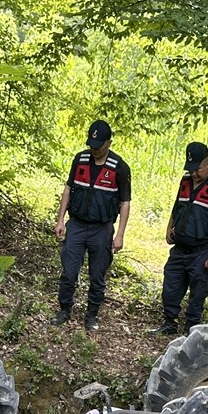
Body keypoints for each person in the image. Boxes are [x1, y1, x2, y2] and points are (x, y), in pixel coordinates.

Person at [52, 120, 132, 331]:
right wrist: (60, 219)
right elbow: (68, 189)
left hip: (102, 228)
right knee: (69, 271)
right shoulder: (80, 160)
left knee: (97, 274)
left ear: (109, 142)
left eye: (99, 145)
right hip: (77, 225)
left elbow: (125, 202)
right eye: (92, 145)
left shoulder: (119, 168)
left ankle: (92, 314)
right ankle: (64, 309)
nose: (95, 149)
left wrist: (120, 234)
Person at [157, 141, 208, 335]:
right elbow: (177, 207)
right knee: (170, 287)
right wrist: (169, 228)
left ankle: (192, 329)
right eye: (190, 169)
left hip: (202, 250)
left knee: (198, 293)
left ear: (207, 163)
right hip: (180, 248)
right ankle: (169, 323)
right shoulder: (185, 181)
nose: (194, 173)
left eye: (197, 169)